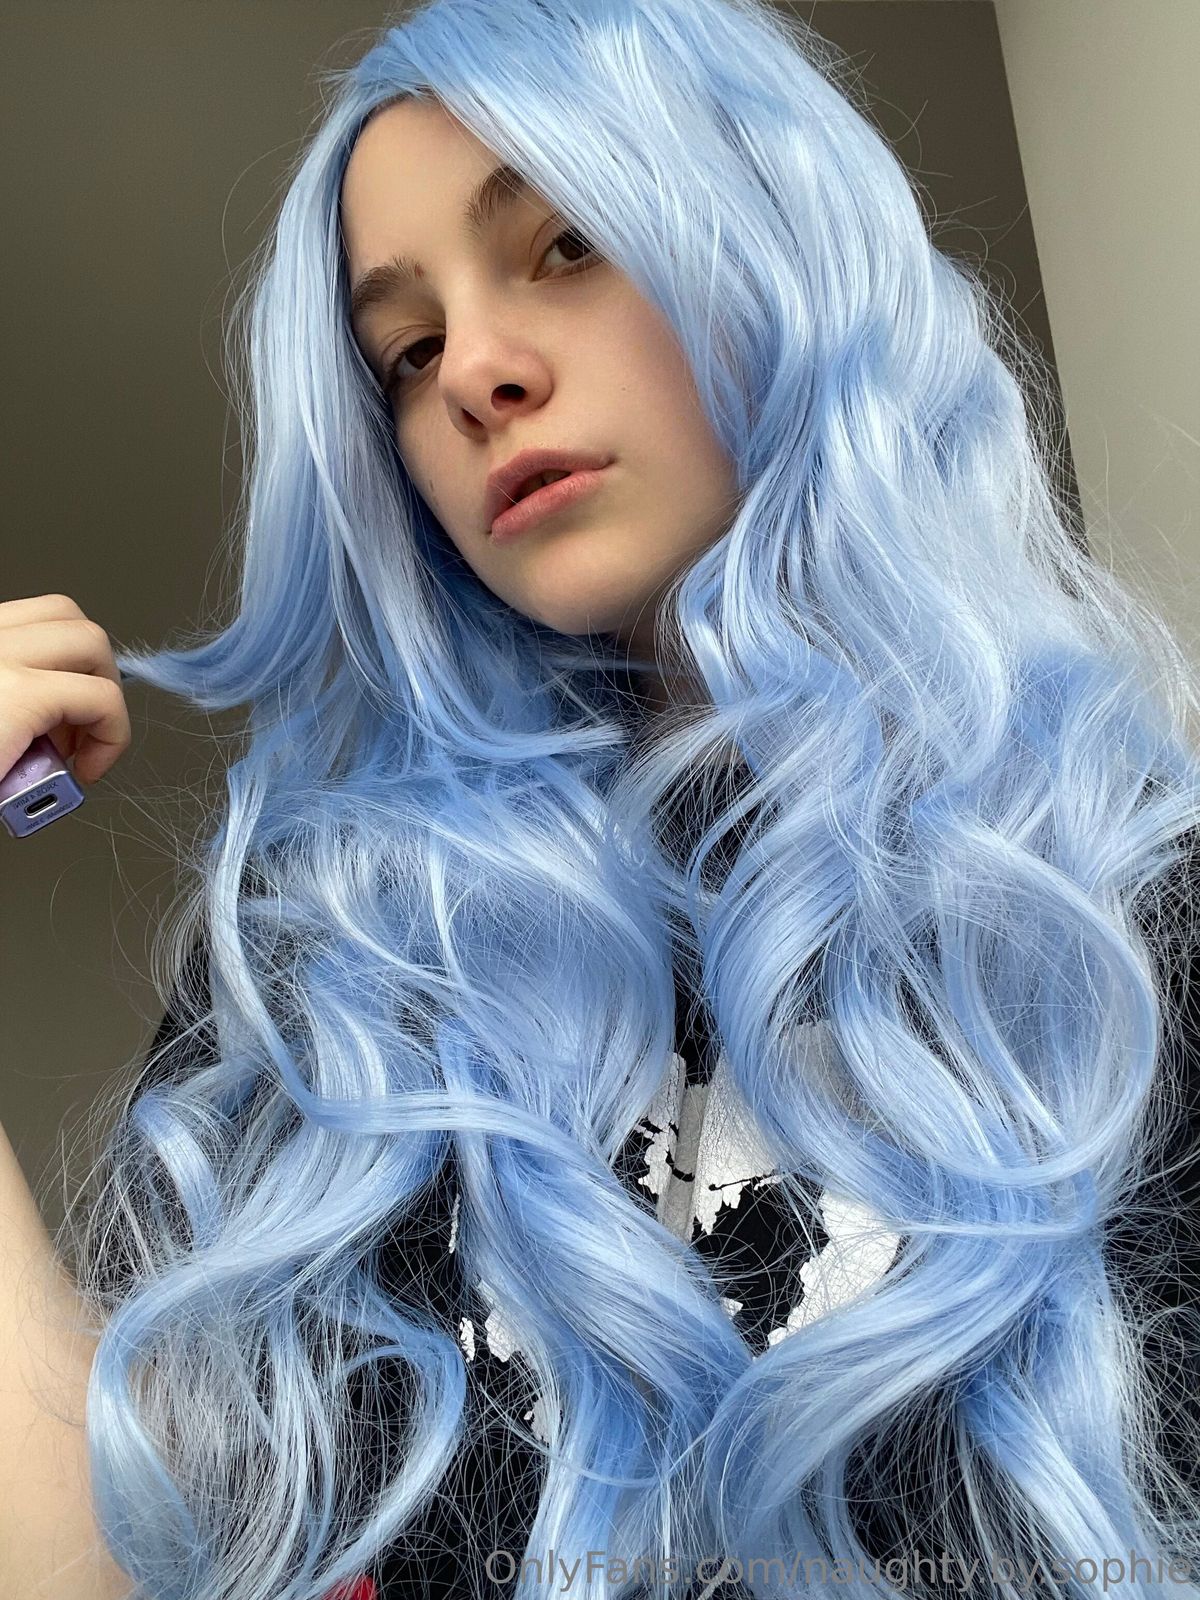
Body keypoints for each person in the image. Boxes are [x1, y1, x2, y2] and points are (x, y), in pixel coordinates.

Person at [1, 0, 1199, 1596]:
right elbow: (95, 1563)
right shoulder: (343, 973)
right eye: (406, 351)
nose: (475, 375)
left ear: (767, 239)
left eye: (566, 244)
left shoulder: (1128, 918)